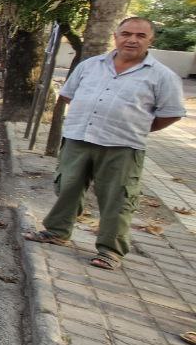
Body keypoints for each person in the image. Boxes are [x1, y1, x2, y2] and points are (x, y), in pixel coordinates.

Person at [24, 17, 186, 270]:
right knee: (67, 187)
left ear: (150, 40)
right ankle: (56, 232)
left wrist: (137, 126)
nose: (132, 40)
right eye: (126, 34)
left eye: (140, 36)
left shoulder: (162, 76)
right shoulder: (90, 65)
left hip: (122, 146)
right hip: (79, 138)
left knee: (117, 198)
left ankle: (110, 250)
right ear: (116, 36)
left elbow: (172, 113)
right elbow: (68, 95)